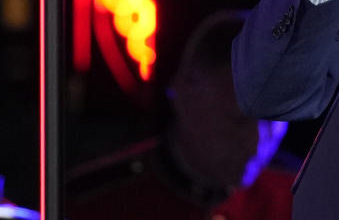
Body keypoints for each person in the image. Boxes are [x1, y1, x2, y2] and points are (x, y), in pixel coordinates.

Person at [67, 11, 295, 220]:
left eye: (272, 123)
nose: (254, 144)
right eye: (235, 120)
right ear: (184, 95)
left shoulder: (300, 195)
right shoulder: (99, 202)